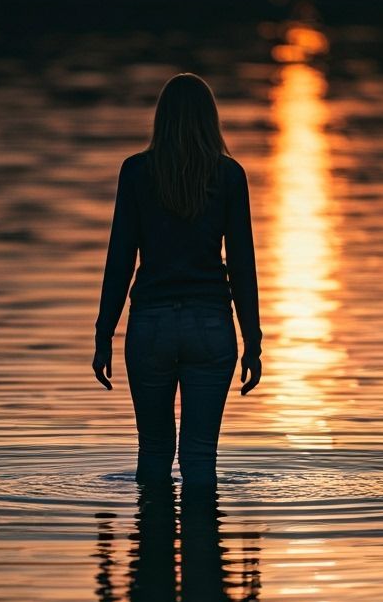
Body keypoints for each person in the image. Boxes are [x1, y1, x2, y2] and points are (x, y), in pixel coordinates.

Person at [92, 73, 262, 485]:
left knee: (153, 453)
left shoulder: (135, 173)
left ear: (161, 120)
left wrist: (103, 334)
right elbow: (241, 265)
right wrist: (252, 341)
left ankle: (151, 544)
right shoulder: (228, 176)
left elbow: (120, 261)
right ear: (211, 120)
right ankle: (204, 543)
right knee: (200, 457)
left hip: (150, 325)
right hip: (210, 325)